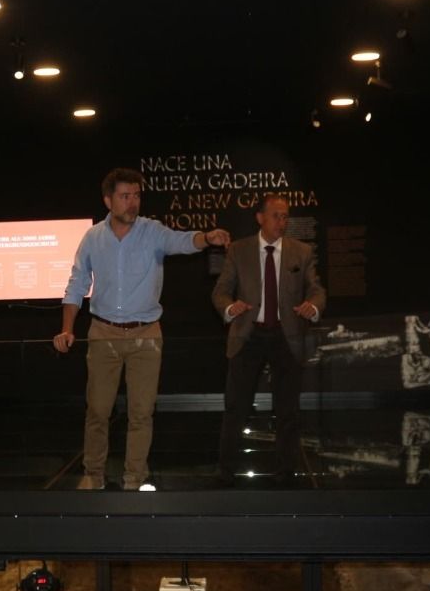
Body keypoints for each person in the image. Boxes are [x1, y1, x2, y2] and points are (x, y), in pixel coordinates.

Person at [54, 168, 230, 490]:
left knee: (141, 413)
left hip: (145, 335)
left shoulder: (152, 231)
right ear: (108, 200)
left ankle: (134, 478)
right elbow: (76, 284)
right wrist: (66, 329)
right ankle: (93, 474)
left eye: (136, 195)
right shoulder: (93, 237)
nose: (132, 202)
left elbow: (181, 241)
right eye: (125, 196)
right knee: (97, 411)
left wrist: (206, 238)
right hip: (103, 333)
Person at [212, 194, 326, 484]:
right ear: (260, 218)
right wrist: (229, 307)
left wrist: (312, 306)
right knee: (236, 406)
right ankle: (225, 471)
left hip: (286, 336)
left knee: (287, 408)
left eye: (285, 216)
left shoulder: (301, 251)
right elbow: (220, 291)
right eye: (276, 215)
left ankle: (286, 472)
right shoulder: (239, 250)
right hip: (248, 335)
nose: (282, 221)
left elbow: (317, 290)